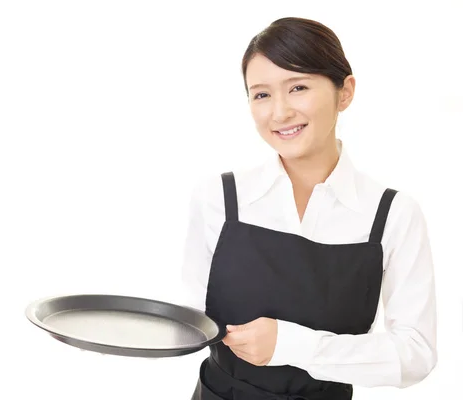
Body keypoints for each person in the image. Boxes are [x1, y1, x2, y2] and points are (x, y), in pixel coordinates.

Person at [181, 17, 438, 400]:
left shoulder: (392, 215)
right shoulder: (218, 197)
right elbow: (189, 320)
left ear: (345, 92)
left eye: (298, 87)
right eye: (261, 94)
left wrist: (291, 345)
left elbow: (415, 354)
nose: (279, 112)